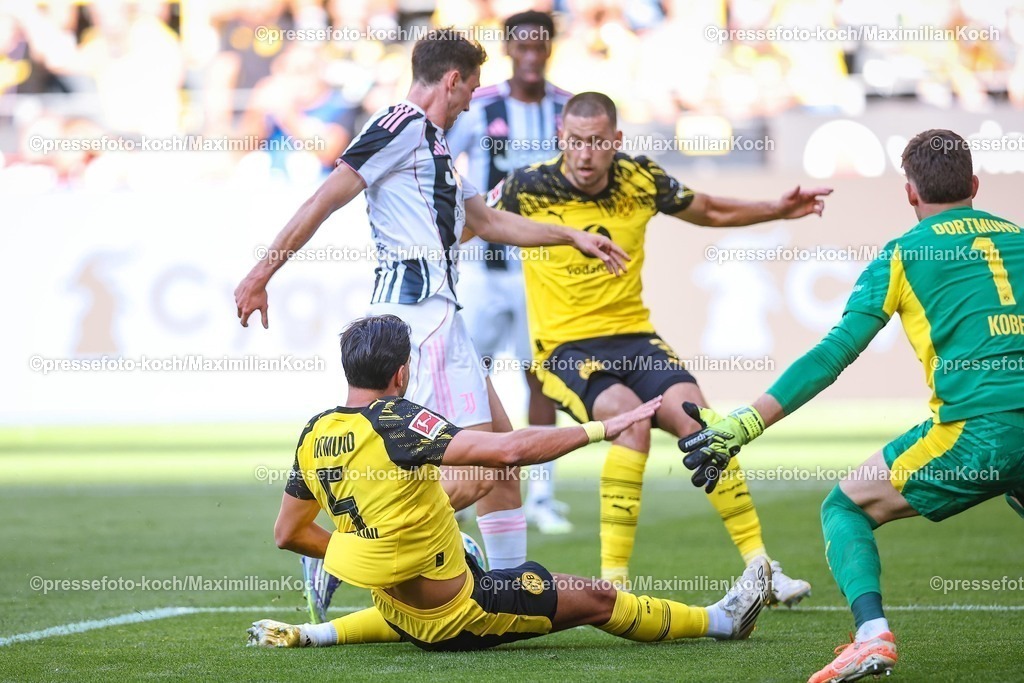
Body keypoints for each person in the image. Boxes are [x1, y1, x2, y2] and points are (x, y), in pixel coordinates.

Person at [233, 29, 627, 622]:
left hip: (441, 314)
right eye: (470, 88)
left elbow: (488, 223)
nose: (472, 100)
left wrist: (571, 236)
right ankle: (351, 549)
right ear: (452, 80)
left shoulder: (434, 147)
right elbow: (325, 198)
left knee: (503, 459)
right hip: (422, 318)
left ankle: (507, 588)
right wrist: (261, 273)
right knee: (479, 465)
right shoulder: (401, 124)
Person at [678, 128, 1024, 682]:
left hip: (976, 432)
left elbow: (833, 353)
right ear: (976, 185)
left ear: (910, 192)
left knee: (845, 507)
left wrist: (747, 422)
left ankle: (871, 636)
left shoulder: (901, 255)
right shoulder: (1019, 239)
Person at [245, 314, 772, 651]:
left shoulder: (314, 432)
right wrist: (601, 428)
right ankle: (721, 621)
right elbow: (509, 451)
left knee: (445, 549)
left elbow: (288, 533)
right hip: (463, 611)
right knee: (597, 598)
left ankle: (315, 631)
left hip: (396, 605)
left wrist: (361, 559)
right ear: (402, 374)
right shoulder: (399, 420)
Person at [492, 91, 829, 600]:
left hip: (635, 337)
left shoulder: (640, 178)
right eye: (575, 141)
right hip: (565, 349)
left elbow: (709, 210)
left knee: (705, 424)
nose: (585, 154)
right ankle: (614, 589)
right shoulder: (527, 186)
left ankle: (763, 568)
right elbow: (473, 221)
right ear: (560, 136)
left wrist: (777, 209)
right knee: (630, 423)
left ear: (616, 140)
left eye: (597, 142)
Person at [446, 10, 573, 534]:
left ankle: (541, 495)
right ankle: (453, 486)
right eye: (522, 46)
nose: (531, 56)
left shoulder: (567, 109)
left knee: (540, 375)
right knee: (464, 372)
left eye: (539, 46)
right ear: (508, 50)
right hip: (486, 268)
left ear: (550, 49)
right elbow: (441, 159)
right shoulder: (482, 107)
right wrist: (462, 219)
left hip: (544, 272)